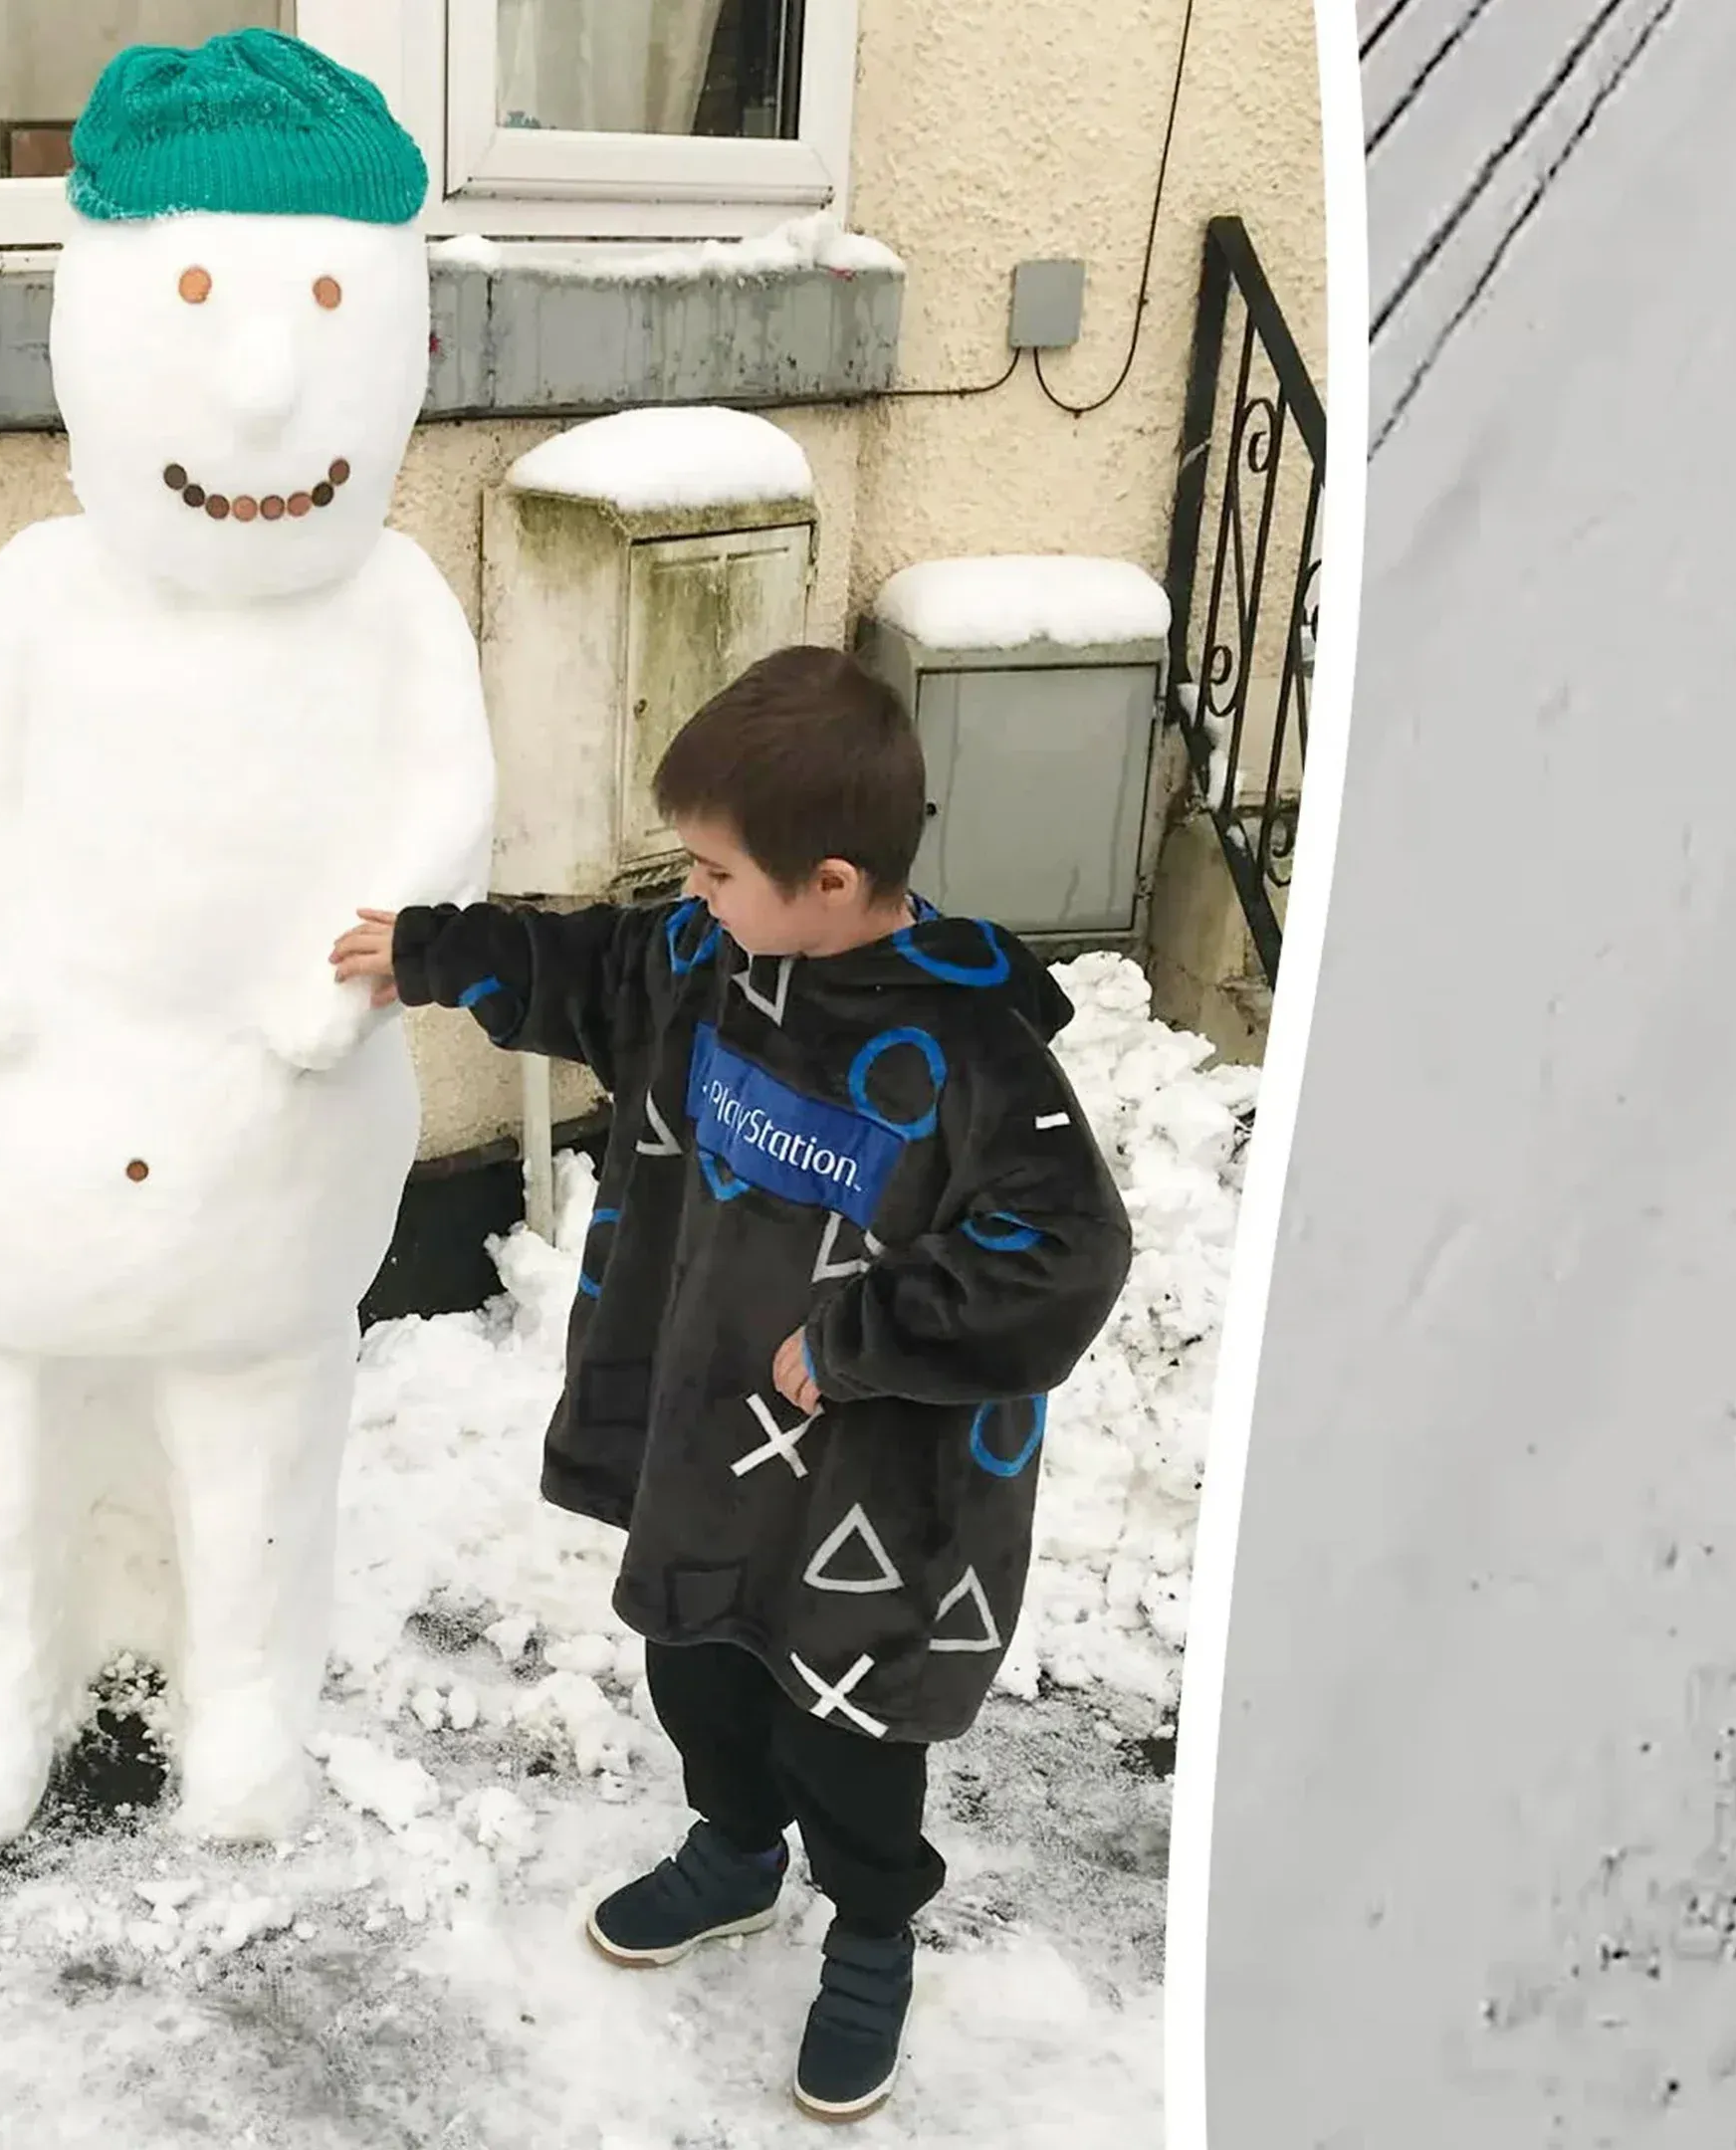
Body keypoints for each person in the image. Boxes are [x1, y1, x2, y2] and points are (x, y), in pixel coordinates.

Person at [329, 645, 1134, 2122]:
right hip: (709, 1432)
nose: (690, 897)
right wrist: (436, 952)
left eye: (713, 872)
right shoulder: (708, 963)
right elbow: (592, 966)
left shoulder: (971, 1056)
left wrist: (858, 1336)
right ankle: (736, 1850)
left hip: (875, 1489)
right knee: (694, 1658)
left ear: (831, 881)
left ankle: (872, 1932)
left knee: (847, 1730)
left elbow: (1064, 1252)